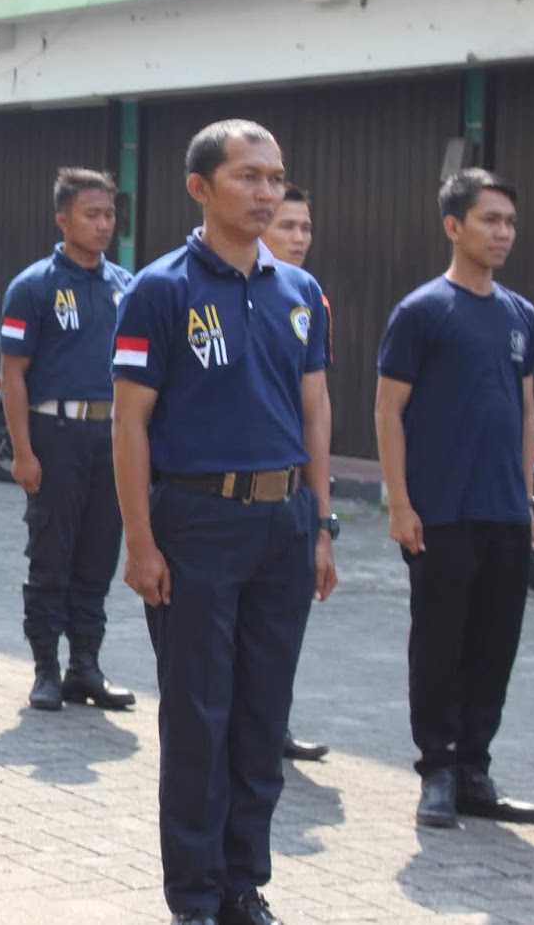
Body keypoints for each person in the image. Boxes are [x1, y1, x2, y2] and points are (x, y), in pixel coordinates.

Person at [112, 120, 335, 925]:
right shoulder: (160, 290)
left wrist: (321, 523)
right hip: (198, 522)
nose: (267, 192)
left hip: (284, 521)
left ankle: (245, 883)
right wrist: (140, 542)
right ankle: (197, 895)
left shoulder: (300, 292)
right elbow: (129, 424)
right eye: (248, 177)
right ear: (200, 187)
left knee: (261, 714)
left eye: (275, 177)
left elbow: (315, 411)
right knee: (200, 715)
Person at [376, 168, 534, 831]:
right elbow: (388, 410)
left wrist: (527, 499)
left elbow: (527, 412)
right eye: (488, 220)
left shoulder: (520, 314)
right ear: (453, 226)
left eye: (508, 221)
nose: (502, 233)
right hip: (439, 512)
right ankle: (437, 770)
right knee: (439, 644)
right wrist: (398, 503)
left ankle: (475, 769)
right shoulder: (421, 312)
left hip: (504, 513)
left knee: (494, 645)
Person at [0, 169, 136, 710]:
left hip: (112, 435)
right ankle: (46, 668)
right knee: (51, 554)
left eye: (109, 215)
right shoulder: (34, 286)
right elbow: (13, 374)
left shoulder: (127, 286)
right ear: (63, 219)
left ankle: (86, 665)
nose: (103, 225)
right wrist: (23, 452)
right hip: (54, 435)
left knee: (99, 554)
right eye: (91, 214)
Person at [259, 185, 333, 763]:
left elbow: (316, 410)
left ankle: (272, 727)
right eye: (288, 226)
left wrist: (323, 517)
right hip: (221, 497)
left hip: (291, 495)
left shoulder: (309, 300)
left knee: (282, 627)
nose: (299, 238)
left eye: (305, 227)